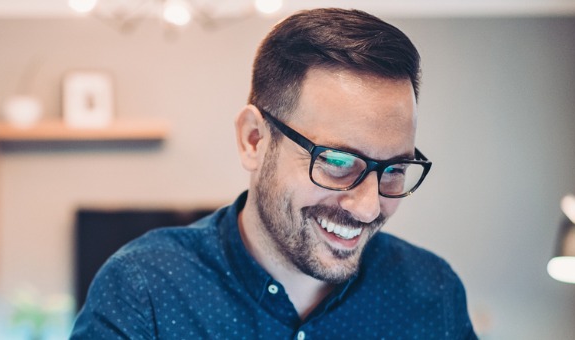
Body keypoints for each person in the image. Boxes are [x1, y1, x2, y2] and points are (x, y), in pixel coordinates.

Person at [71, 8, 476, 339]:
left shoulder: (433, 292)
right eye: (337, 161)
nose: (369, 207)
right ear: (253, 140)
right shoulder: (143, 291)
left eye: (395, 169)